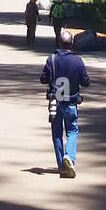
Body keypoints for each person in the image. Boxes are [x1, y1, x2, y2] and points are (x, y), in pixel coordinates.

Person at [41, 30, 89, 178]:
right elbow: (86, 82)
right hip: (71, 103)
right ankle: (69, 157)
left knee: (56, 133)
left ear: (60, 42)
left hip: (55, 103)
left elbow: (43, 78)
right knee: (72, 131)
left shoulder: (52, 59)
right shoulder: (78, 61)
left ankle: (61, 165)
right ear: (72, 43)